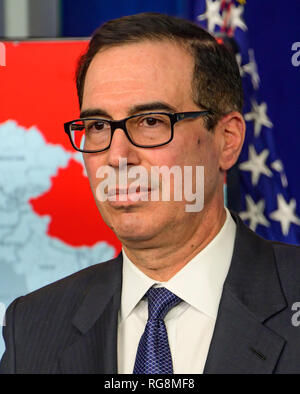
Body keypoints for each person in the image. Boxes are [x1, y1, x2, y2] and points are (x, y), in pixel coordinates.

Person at [1, 12, 300, 375]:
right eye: (97, 126)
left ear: (227, 140)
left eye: (151, 121)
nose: (117, 157)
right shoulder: (32, 325)